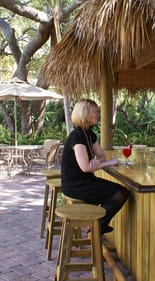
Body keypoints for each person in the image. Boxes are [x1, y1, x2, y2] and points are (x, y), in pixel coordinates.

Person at [61, 98, 129, 234]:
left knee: (120, 192)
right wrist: (108, 162)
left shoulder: (89, 134)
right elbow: (85, 168)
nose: (98, 115)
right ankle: (98, 225)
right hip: (76, 185)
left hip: (86, 181)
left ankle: (97, 225)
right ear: (85, 114)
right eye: (95, 112)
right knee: (120, 193)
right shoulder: (77, 137)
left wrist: (97, 161)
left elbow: (101, 155)